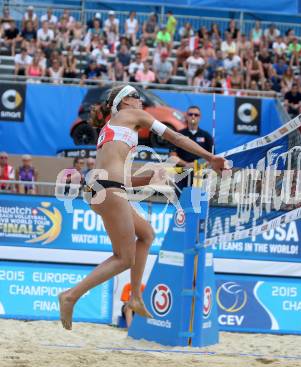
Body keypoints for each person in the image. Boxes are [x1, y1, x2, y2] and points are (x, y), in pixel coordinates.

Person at [58, 85, 227, 330]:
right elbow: (176, 137)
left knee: (147, 233)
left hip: (101, 188)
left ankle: (135, 297)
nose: (140, 101)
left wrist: (147, 179)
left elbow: (120, 178)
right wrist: (210, 157)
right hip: (108, 189)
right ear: (124, 101)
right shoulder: (132, 116)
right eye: (136, 96)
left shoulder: (112, 127)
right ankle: (71, 295)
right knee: (124, 258)